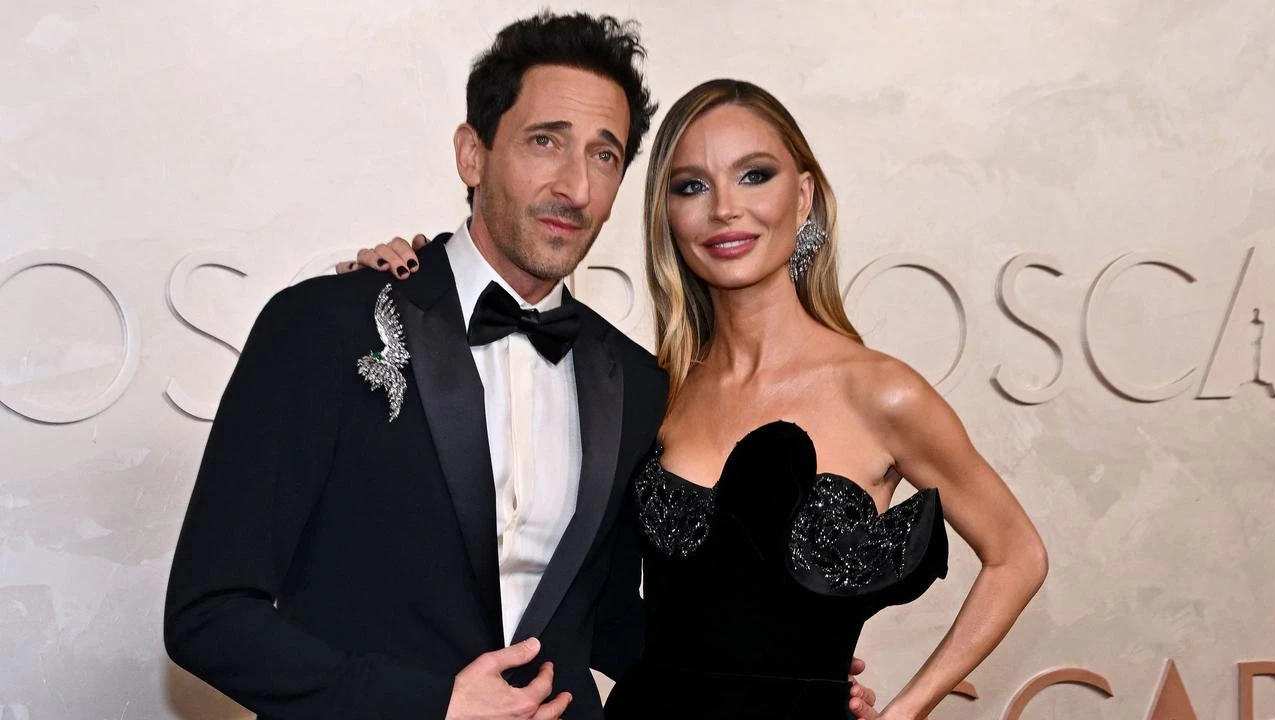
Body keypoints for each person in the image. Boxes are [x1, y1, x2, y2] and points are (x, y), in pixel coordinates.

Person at [349, 79, 1048, 719]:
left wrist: (901, 712)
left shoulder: (881, 392)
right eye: (690, 186)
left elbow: (1017, 555)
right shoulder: (653, 390)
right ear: (667, 215)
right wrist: (398, 290)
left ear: (802, 196)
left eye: (754, 175)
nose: (725, 209)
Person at [165, 13, 664, 720]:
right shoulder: (325, 326)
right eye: (545, 141)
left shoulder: (635, 382)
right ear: (472, 153)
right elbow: (208, 615)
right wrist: (432, 705)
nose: (576, 187)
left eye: (604, 156)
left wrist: (787, 680)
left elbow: (610, 625)